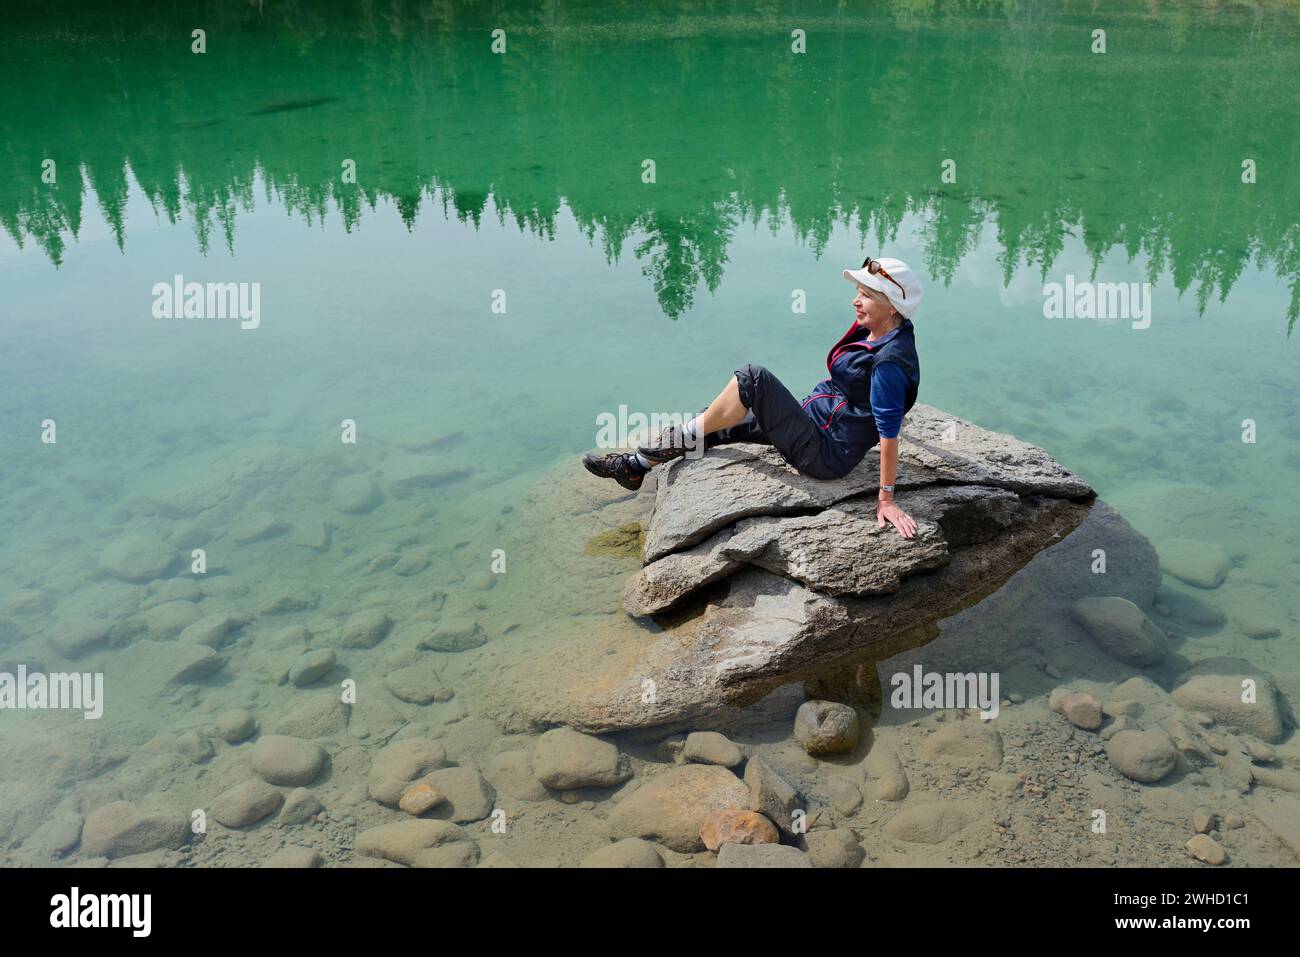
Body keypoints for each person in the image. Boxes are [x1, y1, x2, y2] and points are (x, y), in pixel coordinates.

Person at [583, 256, 923, 538]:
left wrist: (887, 499)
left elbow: (889, 430)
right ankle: (634, 467)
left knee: (753, 379)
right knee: (717, 421)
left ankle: (649, 456)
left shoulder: (890, 360)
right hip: (812, 423)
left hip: (824, 454)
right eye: (859, 291)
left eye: (866, 295)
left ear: (892, 307)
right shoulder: (878, 330)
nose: (855, 299)